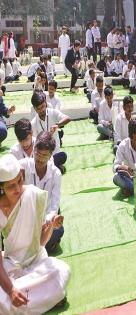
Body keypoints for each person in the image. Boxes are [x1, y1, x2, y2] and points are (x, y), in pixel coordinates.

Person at [0, 154, 70, 314]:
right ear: (1, 187)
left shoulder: (33, 195)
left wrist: (51, 225)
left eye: (19, 181)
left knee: (61, 270)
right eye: (11, 186)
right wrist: (11, 290)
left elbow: (40, 243)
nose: (18, 188)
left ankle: (21, 303)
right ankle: (43, 299)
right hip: (11, 264)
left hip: (37, 261)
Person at [19, 132, 64, 253]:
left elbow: (54, 206)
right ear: (34, 150)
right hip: (25, 219)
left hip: (45, 220)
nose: (39, 158)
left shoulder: (56, 173)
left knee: (59, 230)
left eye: (44, 155)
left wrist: (46, 222)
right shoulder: (23, 165)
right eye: (37, 153)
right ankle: (41, 247)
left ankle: (36, 247)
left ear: (50, 156)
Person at [31, 91, 70, 171]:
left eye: (43, 106)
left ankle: (48, 167)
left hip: (55, 153)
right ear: (35, 108)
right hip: (43, 156)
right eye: (39, 108)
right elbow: (35, 144)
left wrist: (58, 125)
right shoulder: (33, 123)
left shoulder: (53, 112)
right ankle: (53, 167)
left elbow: (68, 118)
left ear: (45, 103)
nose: (42, 110)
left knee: (63, 156)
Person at [113, 119, 136, 197]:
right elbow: (115, 166)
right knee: (116, 178)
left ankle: (132, 189)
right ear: (134, 134)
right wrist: (123, 167)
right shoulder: (123, 145)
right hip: (129, 178)